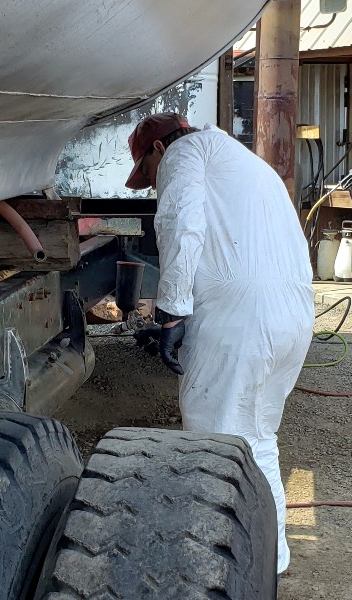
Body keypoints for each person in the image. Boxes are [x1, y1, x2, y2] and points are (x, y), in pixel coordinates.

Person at [126, 112, 314, 574]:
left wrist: (171, 313)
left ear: (157, 149)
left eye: (147, 174)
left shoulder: (183, 154)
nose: (152, 184)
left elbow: (179, 225)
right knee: (257, 437)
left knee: (212, 440)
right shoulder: (246, 162)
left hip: (241, 318)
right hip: (293, 313)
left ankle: (217, 564)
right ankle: (271, 559)